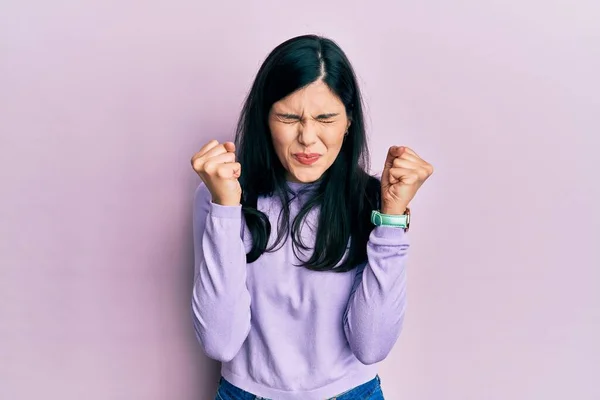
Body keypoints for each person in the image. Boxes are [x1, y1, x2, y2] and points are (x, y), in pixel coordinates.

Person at [190, 34, 433, 400]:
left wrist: (391, 220)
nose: (307, 137)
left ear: (348, 121)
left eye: (325, 118)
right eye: (289, 117)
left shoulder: (372, 200)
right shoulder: (222, 194)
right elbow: (220, 342)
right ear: (265, 119)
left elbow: (371, 347)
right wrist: (225, 209)